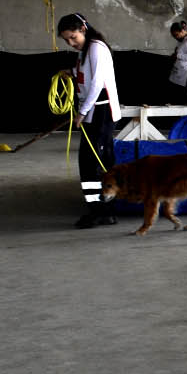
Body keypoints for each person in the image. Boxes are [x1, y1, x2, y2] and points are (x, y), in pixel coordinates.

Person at [58, 12, 121, 229]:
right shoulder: (84, 51)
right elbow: (85, 75)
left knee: (95, 163)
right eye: (66, 39)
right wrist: (72, 72)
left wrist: (82, 112)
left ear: (83, 29)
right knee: (90, 162)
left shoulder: (97, 48)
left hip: (101, 113)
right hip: (93, 113)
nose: (70, 42)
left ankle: (102, 210)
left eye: (73, 37)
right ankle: (100, 209)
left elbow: (96, 83)